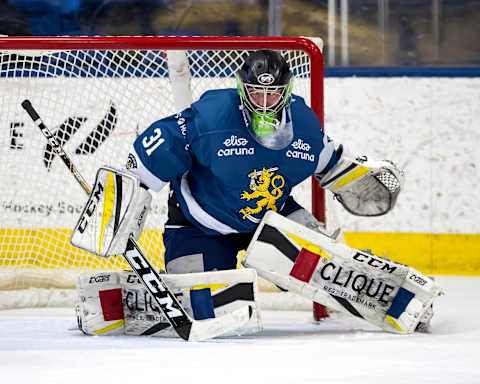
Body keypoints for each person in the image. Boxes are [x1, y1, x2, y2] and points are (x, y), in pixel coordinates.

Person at [126, 49, 341, 275]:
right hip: (200, 224)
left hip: (271, 217)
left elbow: (333, 165)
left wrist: (358, 181)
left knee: (326, 272)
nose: (265, 103)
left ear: (287, 91)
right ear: (242, 88)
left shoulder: (304, 123)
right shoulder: (212, 117)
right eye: (256, 93)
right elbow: (154, 152)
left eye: (273, 93)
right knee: (215, 305)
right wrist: (120, 203)